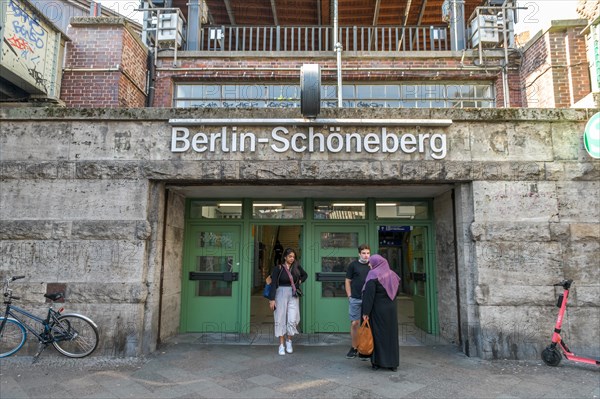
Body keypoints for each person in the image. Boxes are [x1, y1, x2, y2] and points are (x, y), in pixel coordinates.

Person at [361, 254, 400, 371]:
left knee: (377, 335)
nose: (369, 264)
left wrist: (365, 312)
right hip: (391, 310)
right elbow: (396, 293)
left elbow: (369, 296)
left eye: (370, 262)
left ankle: (377, 362)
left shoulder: (373, 275)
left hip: (378, 310)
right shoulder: (393, 275)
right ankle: (393, 363)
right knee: (391, 336)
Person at [268, 247, 308, 355]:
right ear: (285, 257)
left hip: (293, 294)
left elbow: (305, 275)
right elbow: (273, 284)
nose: (292, 258)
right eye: (290, 256)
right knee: (280, 318)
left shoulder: (296, 266)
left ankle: (289, 341)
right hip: (280, 293)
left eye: (293, 257)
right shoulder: (278, 268)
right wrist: (272, 299)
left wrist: (299, 281)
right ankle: (281, 345)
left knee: (292, 318)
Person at [344, 244, 371, 359]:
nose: (366, 255)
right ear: (359, 254)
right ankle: (354, 347)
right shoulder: (353, 265)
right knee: (355, 324)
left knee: (367, 324)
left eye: (368, 253)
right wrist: (349, 296)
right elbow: (347, 281)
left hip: (368, 299)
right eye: (364, 253)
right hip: (355, 298)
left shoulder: (372, 265)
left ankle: (365, 348)